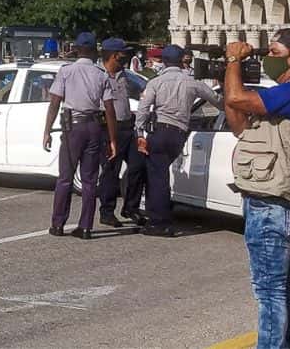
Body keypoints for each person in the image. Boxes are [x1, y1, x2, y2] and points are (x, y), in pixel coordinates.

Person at [222, 31, 290, 349]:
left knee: (269, 291)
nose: (268, 58)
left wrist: (233, 60)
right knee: (285, 286)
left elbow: (237, 98)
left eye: (274, 52)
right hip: (274, 201)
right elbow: (238, 122)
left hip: (272, 206)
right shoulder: (283, 95)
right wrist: (231, 74)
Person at [133, 43, 221, 237]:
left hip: (160, 131)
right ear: (182, 60)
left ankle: (159, 222)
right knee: (161, 174)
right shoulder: (192, 82)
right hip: (180, 133)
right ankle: (160, 218)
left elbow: (143, 109)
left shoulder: (156, 82)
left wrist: (139, 133)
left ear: (164, 62)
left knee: (157, 178)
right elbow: (217, 99)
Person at [42, 32, 119, 240]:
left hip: (72, 127)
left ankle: (58, 224)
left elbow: (55, 102)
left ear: (76, 50)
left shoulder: (66, 71)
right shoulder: (101, 74)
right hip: (93, 126)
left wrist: (47, 130)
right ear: (94, 51)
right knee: (89, 180)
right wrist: (113, 139)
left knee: (65, 178)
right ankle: (85, 226)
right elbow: (109, 109)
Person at [96, 38, 146, 227]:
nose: (126, 56)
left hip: (128, 126)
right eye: (123, 53)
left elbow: (141, 90)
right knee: (111, 171)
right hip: (108, 128)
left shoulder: (124, 74)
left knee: (138, 165)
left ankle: (131, 208)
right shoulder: (97, 75)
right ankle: (107, 212)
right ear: (114, 55)